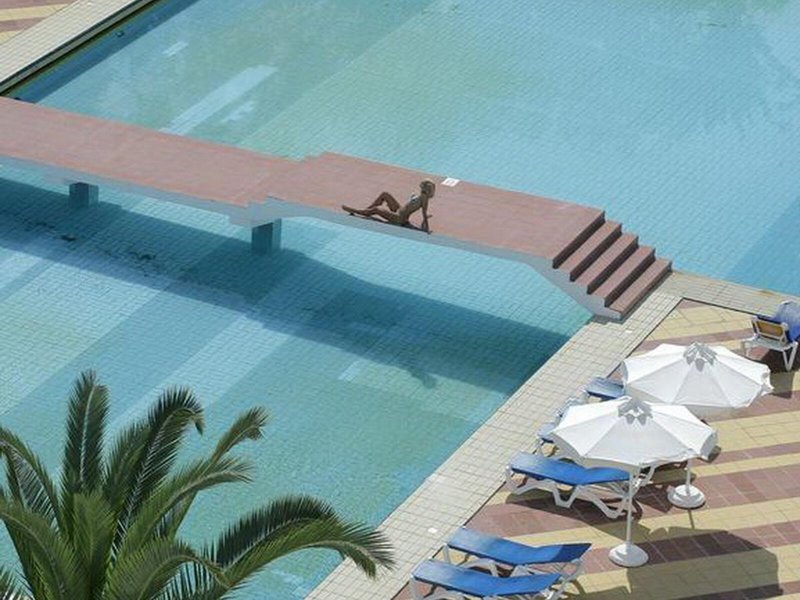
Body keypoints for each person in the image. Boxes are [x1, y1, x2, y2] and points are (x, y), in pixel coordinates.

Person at [342, 179, 435, 233]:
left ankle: (359, 212)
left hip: (399, 218)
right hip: (399, 210)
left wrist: (426, 228)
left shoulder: (424, 199)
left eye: (422, 187)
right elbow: (414, 205)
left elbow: (424, 213)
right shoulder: (421, 195)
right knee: (385, 194)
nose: (421, 188)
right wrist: (412, 198)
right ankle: (367, 210)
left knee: (377, 209)